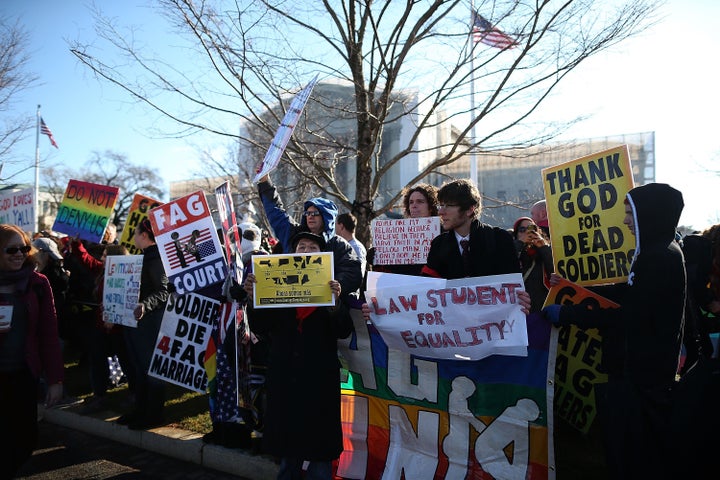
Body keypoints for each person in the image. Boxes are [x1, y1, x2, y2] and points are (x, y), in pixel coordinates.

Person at [542, 183, 685, 479]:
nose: (624, 221)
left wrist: (568, 313)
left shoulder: (658, 258)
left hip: (642, 377)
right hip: (642, 371)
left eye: (629, 212)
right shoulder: (659, 252)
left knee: (635, 455)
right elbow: (626, 292)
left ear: (649, 214)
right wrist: (576, 288)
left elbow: (629, 315)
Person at [244, 231, 352, 480]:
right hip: (286, 378)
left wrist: (335, 304)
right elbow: (260, 326)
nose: (305, 250)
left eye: (312, 247)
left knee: (320, 458)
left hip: (319, 381)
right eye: (301, 246)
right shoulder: (273, 285)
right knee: (288, 457)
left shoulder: (331, 287)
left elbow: (343, 329)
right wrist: (253, 299)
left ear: (323, 257)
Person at [0, 224, 64, 479]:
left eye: (23, 248)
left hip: (24, 374)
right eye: (10, 249)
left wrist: (55, 379)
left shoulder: (38, 283)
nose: (18, 254)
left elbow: (49, 334)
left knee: (25, 439)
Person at [257, 174, 362, 303]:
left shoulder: (339, 245)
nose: (310, 217)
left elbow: (353, 273)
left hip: (327, 312)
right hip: (293, 307)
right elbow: (276, 212)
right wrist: (265, 183)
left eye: (315, 213)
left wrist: (336, 285)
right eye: (307, 213)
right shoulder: (292, 234)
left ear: (327, 217)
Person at [67, 238, 135, 413]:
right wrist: (76, 244)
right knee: (97, 360)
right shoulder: (101, 271)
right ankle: (99, 396)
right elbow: (86, 259)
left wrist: (115, 317)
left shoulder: (129, 274)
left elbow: (128, 299)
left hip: (119, 327)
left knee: (127, 361)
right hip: (101, 325)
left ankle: (135, 394)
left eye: (105, 255)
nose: (102, 258)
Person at [117, 218, 170, 430]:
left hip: (149, 321)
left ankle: (153, 415)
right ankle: (140, 411)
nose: (134, 237)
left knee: (150, 369)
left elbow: (164, 291)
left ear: (144, 235)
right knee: (139, 368)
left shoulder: (155, 258)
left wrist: (145, 305)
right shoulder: (145, 258)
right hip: (137, 321)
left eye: (136, 233)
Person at [421, 178, 522, 280]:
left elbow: (513, 283)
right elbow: (429, 285)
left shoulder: (500, 239)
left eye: (449, 206)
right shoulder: (438, 245)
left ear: (470, 209)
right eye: (441, 206)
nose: (441, 212)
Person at [366, 183, 439, 277]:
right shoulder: (398, 233)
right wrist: (378, 257)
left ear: (432, 206)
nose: (414, 205)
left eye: (420, 201)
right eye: (411, 202)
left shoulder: (443, 233)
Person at [512, 217, 553, 313]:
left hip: (540, 310)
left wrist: (543, 247)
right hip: (518, 309)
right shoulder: (512, 250)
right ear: (517, 234)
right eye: (522, 230)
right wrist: (520, 243)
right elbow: (507, 265)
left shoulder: (543, 252)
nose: (528, 233)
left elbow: (554, 271)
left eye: (532, 229)